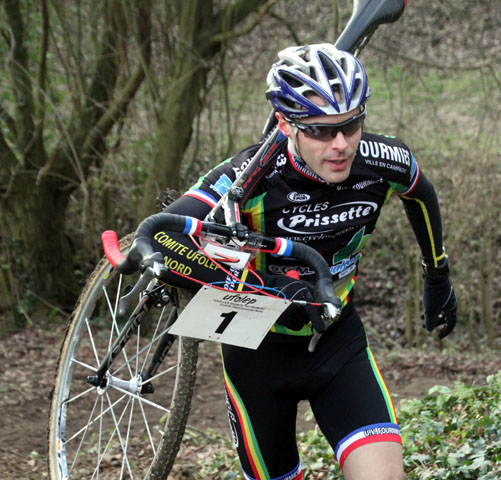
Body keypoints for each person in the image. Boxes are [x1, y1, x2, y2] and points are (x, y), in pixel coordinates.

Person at [155, 44, 457, 480]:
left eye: (351, 124)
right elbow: (165, 235)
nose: (340, 145)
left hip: (337, 342)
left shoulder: (378, 160)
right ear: (285, 124)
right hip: (255, 348)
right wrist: (264, 286)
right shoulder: (250, 175)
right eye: (319, 130)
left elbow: (421, 193)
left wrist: (437, 274)